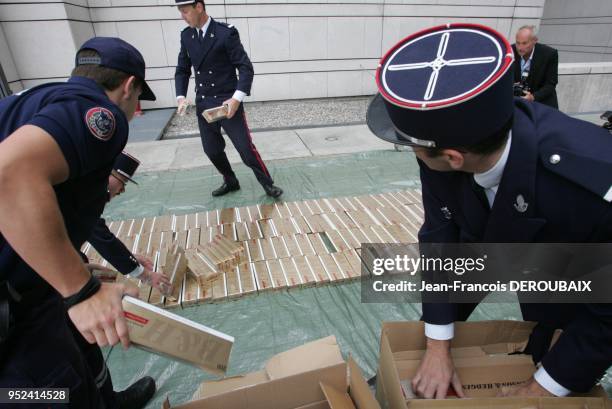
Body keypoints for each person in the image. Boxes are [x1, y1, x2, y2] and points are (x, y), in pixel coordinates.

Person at [367, 23, 612, 399]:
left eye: (411, 148)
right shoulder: (450, 141)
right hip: (488, 247)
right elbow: (441, 241)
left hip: (571, 270)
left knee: (552, 344)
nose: (413, 154)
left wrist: (543, 386)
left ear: (453, 158)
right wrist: (436, 345)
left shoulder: (589, 186)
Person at [0, 37, 157, 408]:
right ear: (129, 86)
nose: (134, 112)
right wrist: (79, 291)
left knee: (81, 356)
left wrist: (68, 268)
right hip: (14, 313)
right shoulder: (100, 114)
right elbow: (10, 175)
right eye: (136, 102)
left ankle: (108, 401)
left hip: (26, 287)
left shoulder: (32, 100)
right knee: (48, 395)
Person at [174, 0, 284, 198]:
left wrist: (236, 99)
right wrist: (181, 96)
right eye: (180, 11)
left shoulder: (226, 33)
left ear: (199, 7)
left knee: (245, 149)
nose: (182, 16)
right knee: (212, 151)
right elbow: (182, 69)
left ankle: (267, 183)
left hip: (227, 103)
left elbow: (245, 68)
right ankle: (230, 181)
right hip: (205, 103)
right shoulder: (187, 36)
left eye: (185, 11)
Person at [87, 151, 171, 294]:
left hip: (63, 258)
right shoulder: (85, 197)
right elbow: (102, 239)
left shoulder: (86, 191)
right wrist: (146, 275)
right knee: (127, 291)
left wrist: (130, 258)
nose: (122, 190)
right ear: (108, 174)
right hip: (50, 269)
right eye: (122, 182)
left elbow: (101, 236)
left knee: (107, 276)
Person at [512, 25, 559, 108]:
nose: (520, 48)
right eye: (517, 43)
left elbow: (551, 84)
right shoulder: (509, 51)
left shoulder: (549, 54)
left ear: (535, 41)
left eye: (524, 43)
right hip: (516, 103)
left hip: (541, 103)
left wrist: (533, 97)